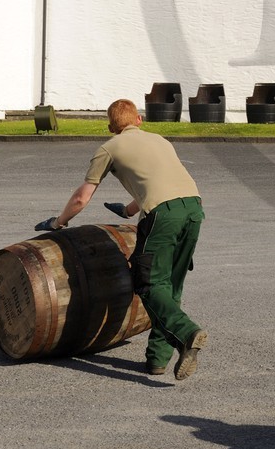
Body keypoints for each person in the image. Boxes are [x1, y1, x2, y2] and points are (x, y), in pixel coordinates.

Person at [36, 98, 208, 381]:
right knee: (171, 284)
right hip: (193, 208)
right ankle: (157, 360)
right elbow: (160, 182)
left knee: (148, 283)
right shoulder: (161, 141)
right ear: (139, 119)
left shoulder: (108, 148)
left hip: (162, 215)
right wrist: (128, 210)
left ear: (110, 127)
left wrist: (58, 222)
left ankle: (187, 333)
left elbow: (82, 197)